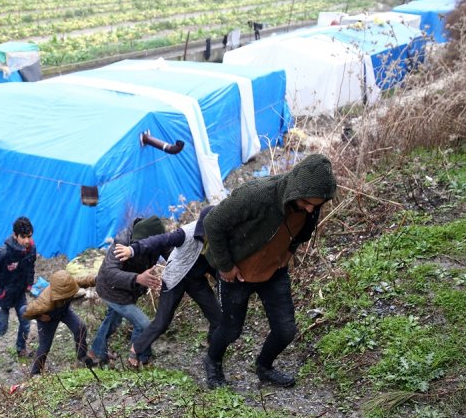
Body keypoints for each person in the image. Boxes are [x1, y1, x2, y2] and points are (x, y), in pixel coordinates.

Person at [202, 154, 337, 388]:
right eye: (306, 203)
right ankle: (212, 361)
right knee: (231, 330)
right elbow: (212, 222)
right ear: (296, 190)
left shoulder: (311, 206)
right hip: (237, 273)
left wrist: (288, 253)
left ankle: (264, 367)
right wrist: (226, 266)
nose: (309, 209)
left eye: (315, 205)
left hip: (273, 272)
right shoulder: (258, 195)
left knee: (285, 330)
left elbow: (304, 232)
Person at [113, 205, 221, 366]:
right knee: (162, 322)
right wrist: (132, 250)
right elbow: (160, 240)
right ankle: (136, 349)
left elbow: (216, 263)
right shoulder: (187, 233)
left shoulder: (220, 235)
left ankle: (214, 349)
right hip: (174, 279)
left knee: (217, 318)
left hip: (196, 280)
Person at [87, 216, 168, 367]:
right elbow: (110, 272)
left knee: (113, 320)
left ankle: (96, 352)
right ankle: (137, 358)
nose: (138, 247)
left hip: (128, 289)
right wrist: (138, 278)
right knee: (143, 324)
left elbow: (171, 255)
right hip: (111, 289)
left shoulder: (156, 239)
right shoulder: (123, 242)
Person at [0, 216, 36, 363]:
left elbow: (31, 267)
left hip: (19, 292)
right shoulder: (2, 253)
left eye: (29, 236)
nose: (27, 241)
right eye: (23, 237)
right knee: (2, 327)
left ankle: (21, 349)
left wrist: (29, 284)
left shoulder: (31, 249)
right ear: (15, 235)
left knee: (25, 321)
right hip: (2, 296)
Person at [22, 270, 96, 375]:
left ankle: (82, 357)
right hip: (48, 318)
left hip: (64, 312)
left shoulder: (69, 283)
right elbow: (24, 311)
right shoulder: (44, 302)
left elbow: (83, 280)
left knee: (80, 327)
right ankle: (35, 373)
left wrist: (96, 279)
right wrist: (39, 316)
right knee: (44, 347)